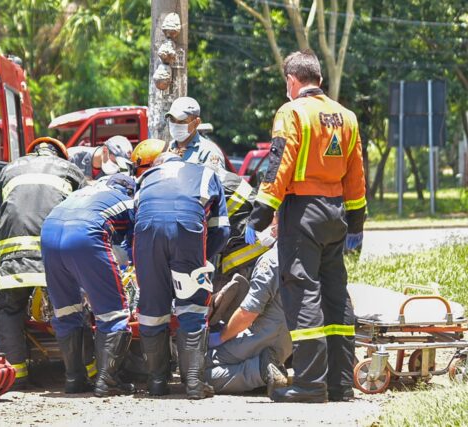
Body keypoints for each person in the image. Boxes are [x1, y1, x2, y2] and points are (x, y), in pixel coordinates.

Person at [246, 50, 366, 403]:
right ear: (320, 79)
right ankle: (340, 383)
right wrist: (356, 221)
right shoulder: (346, 117)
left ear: (291, 80)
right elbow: (356, 174)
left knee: (303, 291)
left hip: (302, 213)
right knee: (335, 293)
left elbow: (279, 163)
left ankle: (310, 384)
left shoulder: (292, 112)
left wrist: (260, 213)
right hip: (335, 214)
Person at [132, 139, 230, 399]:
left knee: (152, 309)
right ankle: (194, 383)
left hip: (147, 235)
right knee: (193, 306)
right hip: (187, 232)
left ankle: (156, 382)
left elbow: (136, 219)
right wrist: (201, 256)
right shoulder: (205, 173)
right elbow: (222, 229)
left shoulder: (146, 178)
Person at [0, 137, 86, 389]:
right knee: (70, 310)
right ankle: (81, 374)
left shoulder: (9, 169)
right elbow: (85, 214)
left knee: (9, 310)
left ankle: (15, 378)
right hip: (53, 257)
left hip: (13, 259)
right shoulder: (70, 170)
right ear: (60, 155)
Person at [42, 174, 136, 396]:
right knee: (113, 313)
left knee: (66, 311)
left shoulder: (82, 193)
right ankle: (107, 381)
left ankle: (73, 379)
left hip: (48, 234)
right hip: (86, 235)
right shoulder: (128, 202)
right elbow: (134, 246)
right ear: (130, 190)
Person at [205, 220, 291, 397]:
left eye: (273, 216)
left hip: (265, 337)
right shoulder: (311, 257)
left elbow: (248, 313)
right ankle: (262, 374)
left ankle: (262, 370)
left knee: (199, 371)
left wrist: (221, 336)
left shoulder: (271, 260)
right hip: (288, 340)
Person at [208, 166, 270, 294]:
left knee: (226, 291)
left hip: (248, 241)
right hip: (255, 229)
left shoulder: (199, 185)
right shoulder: (211, 175)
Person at [166, 97, 225, 169]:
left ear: (196, 123)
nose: (175, 125)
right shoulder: (166, 149)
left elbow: (214, 175)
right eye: (172, 120)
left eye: (182, 121)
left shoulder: (209, 151)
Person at [68, 135, 134, 180]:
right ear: (105, 150)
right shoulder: (73, 157)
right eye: (115, 162)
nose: (117, 168)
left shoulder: (117, 172)